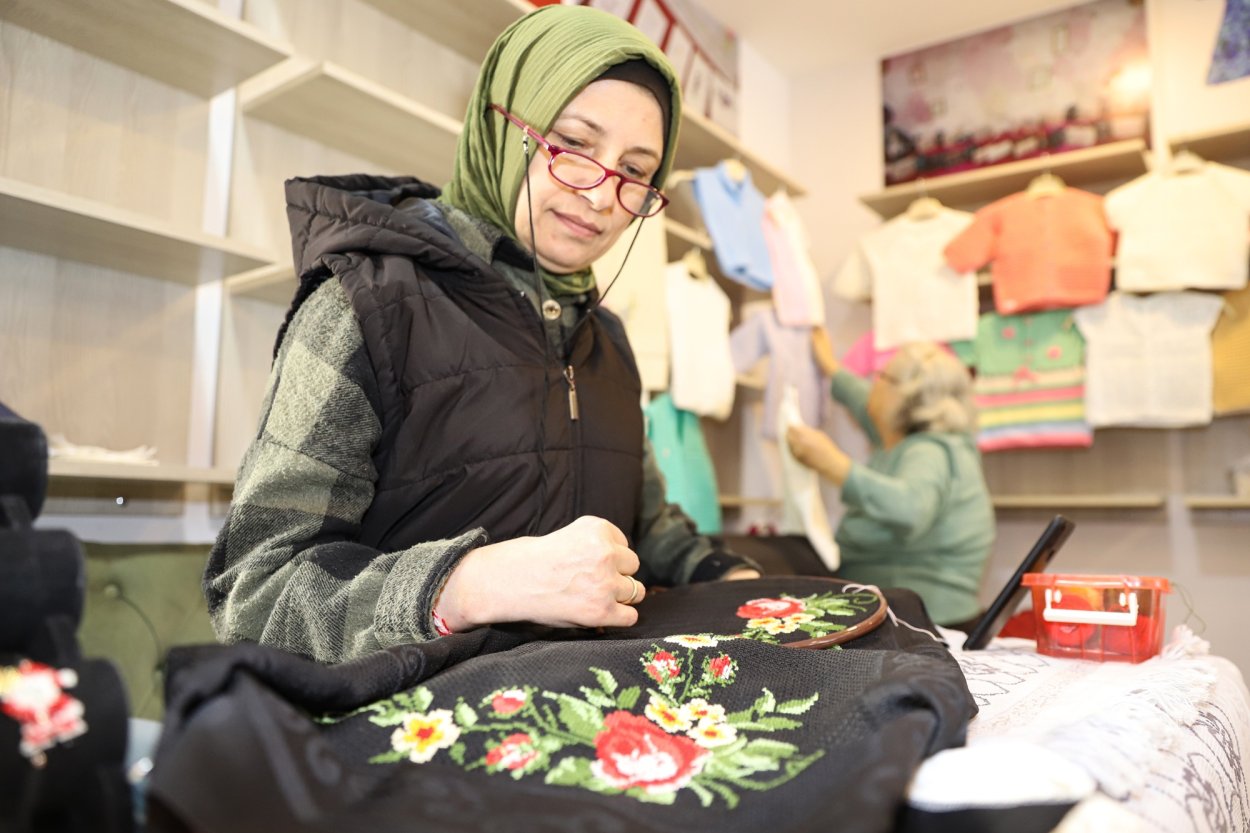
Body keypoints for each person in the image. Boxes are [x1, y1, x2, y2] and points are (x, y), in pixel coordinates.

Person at [204, 5, 760, 665]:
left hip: (577, 703)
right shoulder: (367, 305)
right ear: (501, 125)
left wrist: (731, 577)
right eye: (573, 144)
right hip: (407, 716)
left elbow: (647, 524)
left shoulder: (606, 340)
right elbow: (254, 593)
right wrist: (464, 587)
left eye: (635, 171)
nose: (600, 195)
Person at [785, 329, 994, 627]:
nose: (873, 383)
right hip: (922, 609)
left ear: (904, 397)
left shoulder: (927, 452)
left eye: (881, 376)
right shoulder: (913, 436)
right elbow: (864, 402)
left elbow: (909, 508)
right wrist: (831, 367)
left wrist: (835, 466)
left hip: (926, 621)